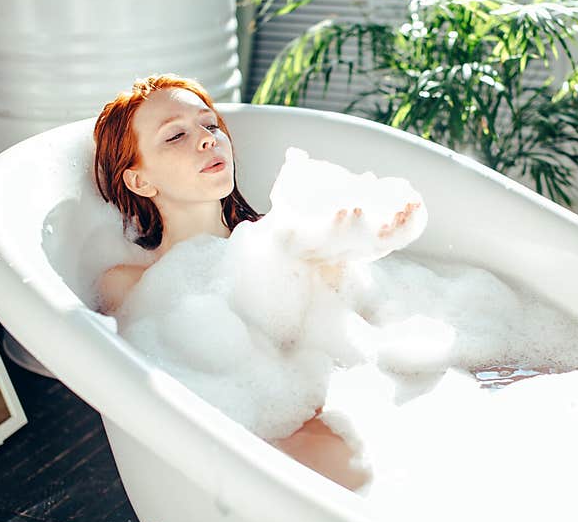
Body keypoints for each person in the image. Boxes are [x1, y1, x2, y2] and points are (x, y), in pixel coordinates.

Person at [92, 74, 372, 490]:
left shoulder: (289, 245)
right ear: (139, 180)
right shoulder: (128, 286)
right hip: (251, 460)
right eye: (175, 136)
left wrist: (338, 262)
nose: (208, 139)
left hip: (354, 411)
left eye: (210, 125)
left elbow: (359, 335)